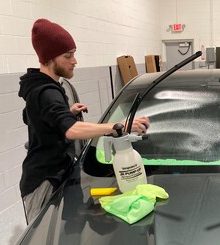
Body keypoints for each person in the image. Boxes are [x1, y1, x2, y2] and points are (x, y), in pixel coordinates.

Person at [19, 18, 150, 223]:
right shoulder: (46, 91)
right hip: (44, 181)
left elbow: (31, 117)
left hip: (58, 173)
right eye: (68, 55)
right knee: (44, 242)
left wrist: (65, 112)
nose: (75, 61)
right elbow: (71, 131)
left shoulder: (41, 86)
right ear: (49, 58)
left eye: (74, 54)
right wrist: (119, 126)